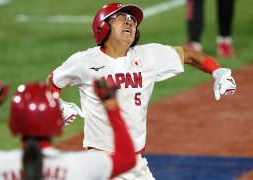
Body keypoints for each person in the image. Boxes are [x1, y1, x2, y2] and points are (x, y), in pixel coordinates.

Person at [46, 2, 237, 180]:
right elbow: (53, 82)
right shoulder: (84, 61)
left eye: (133, 20)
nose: (130, 21)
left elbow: (191, 56)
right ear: (102, 26)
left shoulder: (148, 55)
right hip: (103, 163)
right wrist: (57, 105)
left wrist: (217, 71)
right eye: (121, 17)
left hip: (136, 163)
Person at [0, 79, 137, 180]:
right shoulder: (84, 166)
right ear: (58, 125)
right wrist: (110, 105)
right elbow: (127, 158)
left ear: (13, 124)